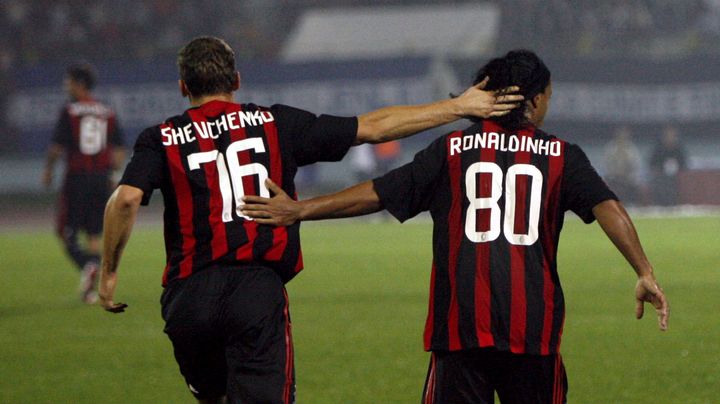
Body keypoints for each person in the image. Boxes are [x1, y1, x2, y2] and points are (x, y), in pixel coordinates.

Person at [98, 36, 523, 404]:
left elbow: (125, 201)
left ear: (183, 86)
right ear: (237, 81)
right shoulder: (274, 123)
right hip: (254, 289)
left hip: (187, 296)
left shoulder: (161, 137)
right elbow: (374, 128)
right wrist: (457, 106)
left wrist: (109, 275)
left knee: (213, 395)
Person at [242, 49, 670, 404]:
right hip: (532, 332)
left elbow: (378, 192)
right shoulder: (560, 154)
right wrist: (644, 271)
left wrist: (301, 210)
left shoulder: (450, 151)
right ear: (536, 100)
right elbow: (608, 207)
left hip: (461, 328)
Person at [43, 63, 125, 304]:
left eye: (68, 82)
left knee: (65, 231)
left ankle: (86, 266)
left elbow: (57, 148)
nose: (65, 86)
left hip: (77, 178)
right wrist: (114, 174)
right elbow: (118, 148)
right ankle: (90, 290)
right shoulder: (107, 112)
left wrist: (48, 170)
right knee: (93, 233)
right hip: (101, 178)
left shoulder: (69, 111)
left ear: (79, 84)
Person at [603, 125, 644, 205]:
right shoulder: (610, 148)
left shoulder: (631, 149)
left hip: (628, 179)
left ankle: (636, 206)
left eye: (624, 134)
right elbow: (606, 166)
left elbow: (636, 166)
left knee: (640, 187)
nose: (622, 136)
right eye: (620, 133)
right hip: (614, 179)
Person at [649, 125, 687, 206]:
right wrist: (661, 168)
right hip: (661, 176)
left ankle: (673, 204)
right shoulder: (659, 148)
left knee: (672, 184)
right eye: (668, 135)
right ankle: (659, 204)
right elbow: (652, 163)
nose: (670, 137)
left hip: (675, 177)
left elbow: (684, 164)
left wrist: (676, 167)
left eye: (672, 135)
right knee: (660, 182)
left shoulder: (678, 149)